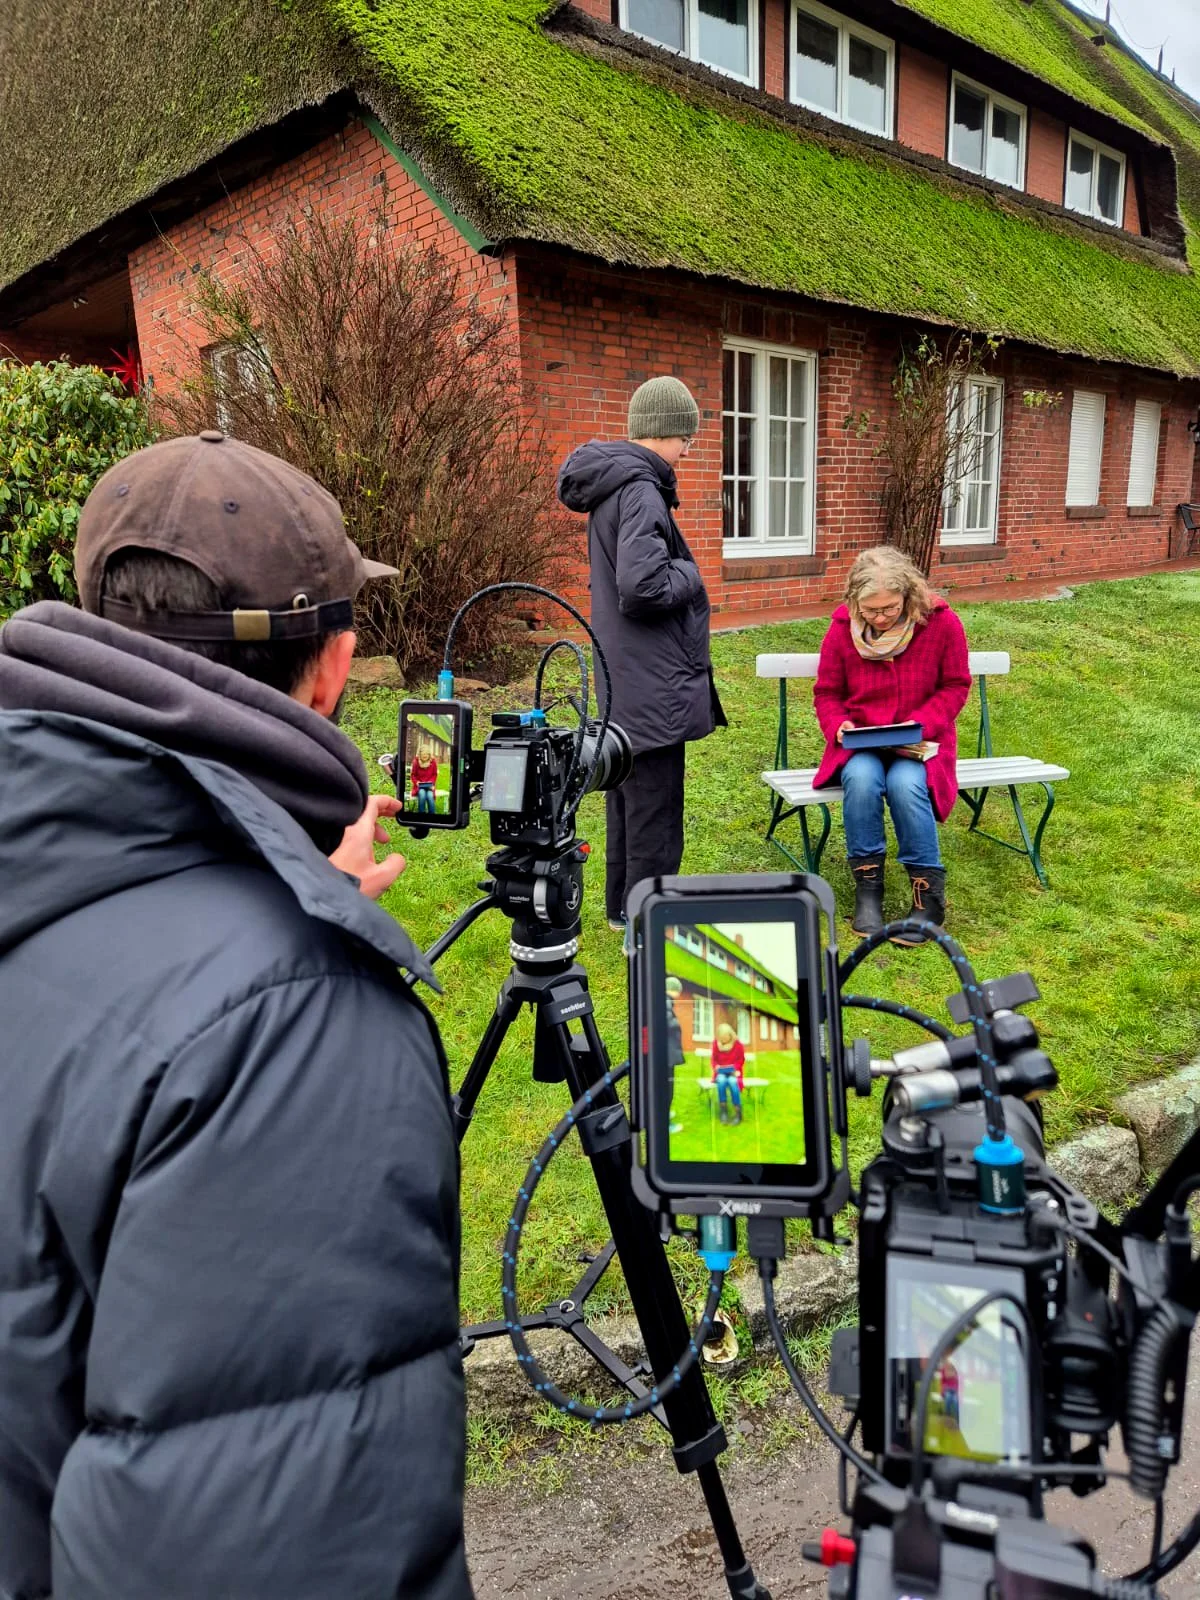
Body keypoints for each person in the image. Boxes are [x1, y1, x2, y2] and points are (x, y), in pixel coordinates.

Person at [0, 432, 471, 1600]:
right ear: (335, 665)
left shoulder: (38, 856)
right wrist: (284, 947)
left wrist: (274, 888)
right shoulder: (287, 1029)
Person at [557, 376, 725, 932]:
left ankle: (619, 908)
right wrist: (691, 573)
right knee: (656, 807)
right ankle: (649, 920)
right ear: (663, 431)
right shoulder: (642, 489)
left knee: (627, 794)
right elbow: (643, 586)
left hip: (625, 674)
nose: (688, 451)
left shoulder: (614, 484)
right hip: (653, 681)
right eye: (686, 439)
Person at [812, 545, 971, 944]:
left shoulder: (941, 623)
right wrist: (838, 724)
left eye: (890, 608)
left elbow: (955, 686)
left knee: (906, 784)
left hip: (920, 741)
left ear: (908, 595)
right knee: (862, 779)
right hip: (862, 743)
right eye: (870, 610)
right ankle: (869, 890)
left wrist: (921, 723)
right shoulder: (841, 628)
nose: (880, 618)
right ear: (854, 600)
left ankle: (928, 898)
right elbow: (827, 693)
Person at [711, 1022, 746, 1125]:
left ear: (730, 1035)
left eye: (726, 1037)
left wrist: (735, 1068)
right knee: (721, 1080)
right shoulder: (716, 1044)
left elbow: (741, 1060)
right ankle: (723, 1111)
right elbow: (713, 1059)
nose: (724, 1040)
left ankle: (738, 1113)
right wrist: (716, 1067)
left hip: (734, 1072)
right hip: (721, 1072)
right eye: (721, 1038)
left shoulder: (738, 1044)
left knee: (732, 1081)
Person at [412, 736, 439, 814]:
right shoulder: (416, 762)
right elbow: (413, 775)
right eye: (423, 755)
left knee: (430, 796)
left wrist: (431, 783)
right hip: (419, 786)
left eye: (426, 754)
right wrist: (417, 782)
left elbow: (434, 774)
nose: (425, 756)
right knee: (422, 794)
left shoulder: (433, 762)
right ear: (420, 755)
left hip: (429, 786)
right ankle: (422, 815)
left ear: (429, 755)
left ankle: (432, 815)